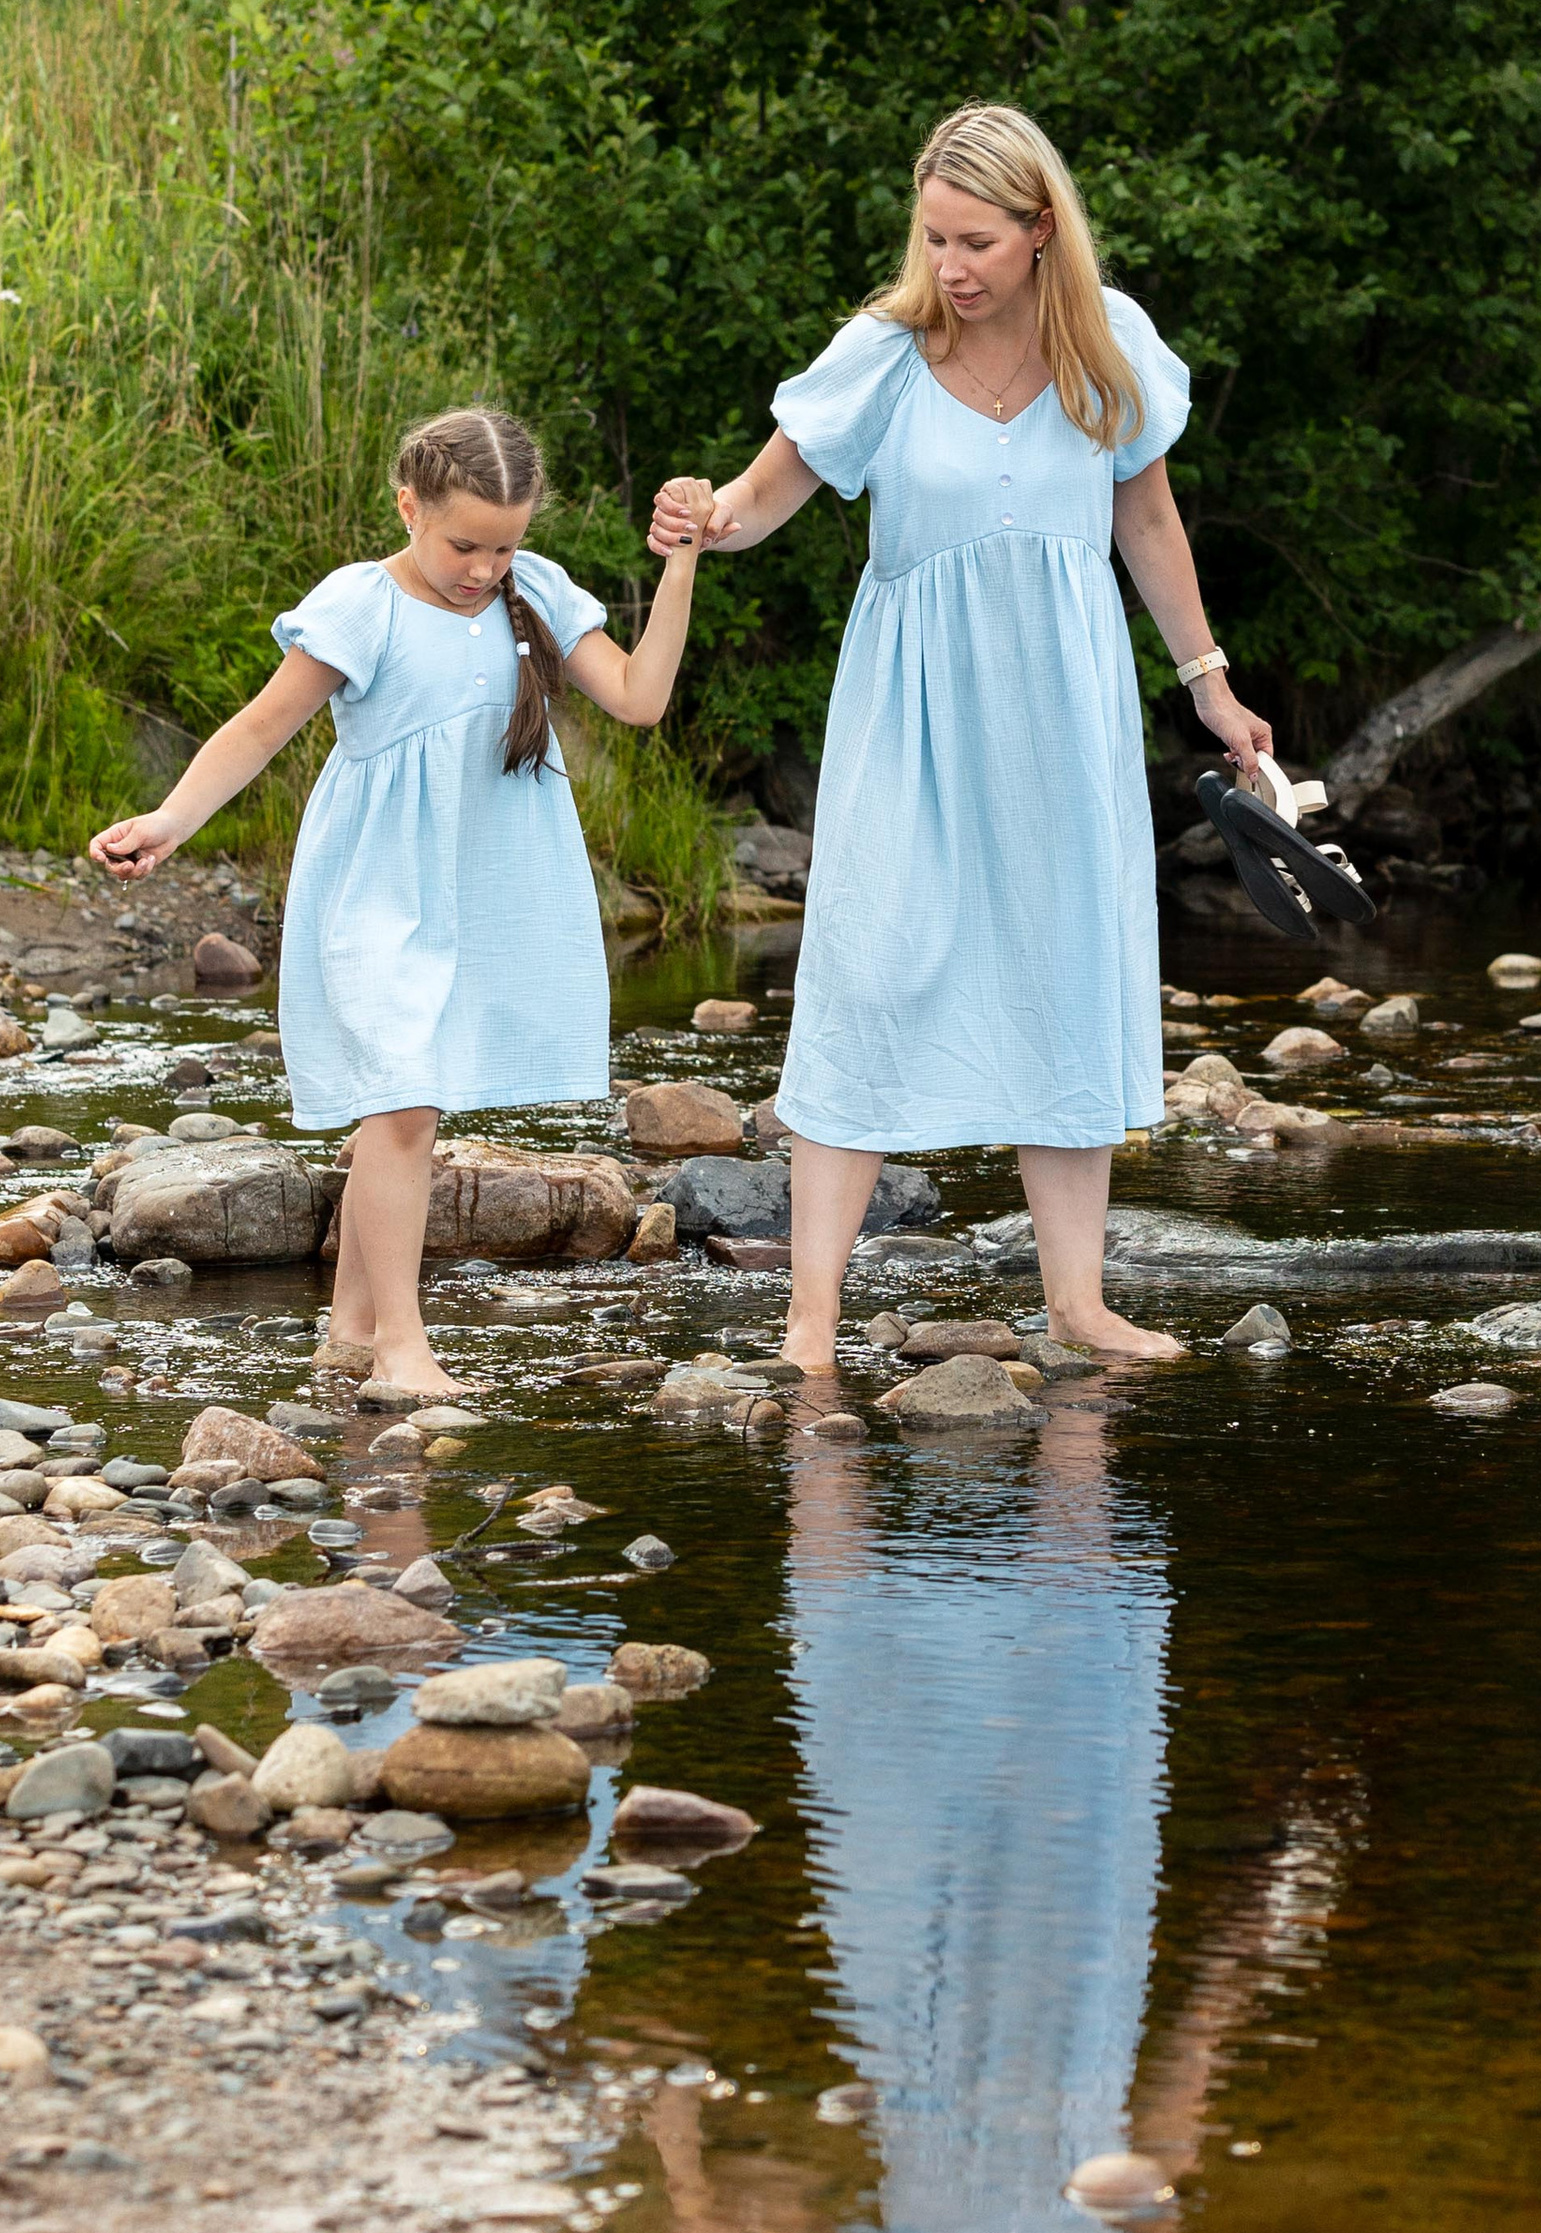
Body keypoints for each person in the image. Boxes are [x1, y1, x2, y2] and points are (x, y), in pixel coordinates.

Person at [647, 99, 1270, 1370]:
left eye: (975, 241)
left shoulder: (1109, 351)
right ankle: (810, 1323)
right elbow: (767, 495)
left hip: (1063, 708)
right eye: (933, 239)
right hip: (911, 714)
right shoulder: (881, 354)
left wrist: (1208, 682)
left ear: (1042, 231)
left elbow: (1147, 526)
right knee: (869, 969)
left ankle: (1077, 1307)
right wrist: (705, 512)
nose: (950, 268)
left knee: (1065, 968)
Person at [91, 404, 699, 1399]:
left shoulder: (533, 592)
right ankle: (401, 1351)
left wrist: (679, 567)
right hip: (376, 888)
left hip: (490, 887)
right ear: (408, 505)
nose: (484, 567)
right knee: (405, 1104)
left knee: (405, 1109)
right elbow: (258, 728)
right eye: (464, 543)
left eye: (504, 544)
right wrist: (170, 820)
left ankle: (348, 1327)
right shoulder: (360, 606)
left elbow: (638, 697)